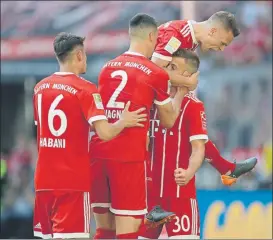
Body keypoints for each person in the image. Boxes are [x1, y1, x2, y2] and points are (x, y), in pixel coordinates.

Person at [32, 32, 147, 239]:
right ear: (78, 55)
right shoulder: (85, 89)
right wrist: (124, 120)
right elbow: (105, 133)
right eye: (84, 54)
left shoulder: (39, 88)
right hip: (72, 182)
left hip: (43, 181)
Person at [88, 13, 190, 239]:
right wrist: (182, 91)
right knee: (128, 233)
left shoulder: (106, 67)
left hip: (98, 153)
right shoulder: (155, 73)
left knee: (104, 230)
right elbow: (168, 120)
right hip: (128, 158)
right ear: (153, 36)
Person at [139, 49, 256, 239]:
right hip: (149, 195)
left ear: (187, 75)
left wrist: (189, 171)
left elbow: (198, 148)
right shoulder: (152, 98)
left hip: (179, 195)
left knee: (194, 135)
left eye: (172, 67)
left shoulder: (192, 105)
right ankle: (227, 169)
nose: (164, 69)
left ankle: (227, 169)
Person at [151, 11, 257, 187]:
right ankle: (225, 168)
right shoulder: (177, 35)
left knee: (193, 119)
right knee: (192, 110)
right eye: (222, 43)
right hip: (142, 99)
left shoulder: (189, 40)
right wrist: (186, 81)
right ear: (213, 31)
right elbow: (152, 71)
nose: (222, 49)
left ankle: (226, 168)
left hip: (158, 96)